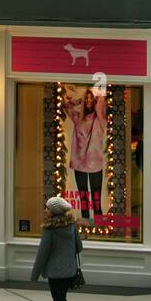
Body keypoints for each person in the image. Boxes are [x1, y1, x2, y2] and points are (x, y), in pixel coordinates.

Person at [30, 196, 82, 301]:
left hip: (55, 273)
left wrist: (34, 275)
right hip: (69, 271)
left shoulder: (50, 229)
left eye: (47, 208)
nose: (45, 210)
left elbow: (42, 253)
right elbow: (79, 247)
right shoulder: (71, 226)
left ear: (54, 211)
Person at [64, 89, 107, 222]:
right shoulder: (78, 118)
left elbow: (101, 100)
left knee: (96, 200)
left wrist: (94, 93)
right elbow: (66, 104)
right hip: (80, 163)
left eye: (90, 98)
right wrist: (80, 100)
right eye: (86, 98)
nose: (88, 101)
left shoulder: (99, 118)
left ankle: (99, 227)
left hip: (95, 164)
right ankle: (86, 226)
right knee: (83, 199)